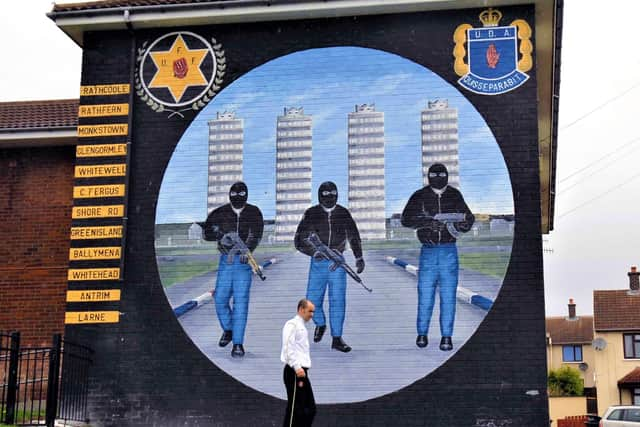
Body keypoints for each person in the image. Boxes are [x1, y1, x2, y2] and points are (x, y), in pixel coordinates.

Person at [401, 163, 474, 351]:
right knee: (425, 295)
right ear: (429, 176)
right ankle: (422, 333)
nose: (439, 177)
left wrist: (460, 226)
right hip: (428, 251)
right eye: (435, 174)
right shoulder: (419, 196)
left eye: (442, 174)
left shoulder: (454, 195)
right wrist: (429, 223)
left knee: (448, 296)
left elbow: (469, 217)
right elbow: (406, 219)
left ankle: (446, 337)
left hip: (449, 251)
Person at [294, 181, 364, 353]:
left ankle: (337, 338)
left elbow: (354, 236)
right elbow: (298, 240)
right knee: (311, 301)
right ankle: (321, 323)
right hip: (318, 263)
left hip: (338, 262)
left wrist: (359, 257)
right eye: (325, 195)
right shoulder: (311, 213)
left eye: (332, 195)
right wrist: (313, 252)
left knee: (337, 302)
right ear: (319, 196)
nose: (329, 199)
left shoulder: (343, 213)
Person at [202, 181, 264, 358]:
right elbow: (206, 232)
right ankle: (228, 329)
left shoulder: (254, 212)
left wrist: (248, 250)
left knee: (241, 303)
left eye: (241, 197)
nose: (238, 200)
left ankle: (238, 343)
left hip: (244, 264)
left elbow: (256, 234)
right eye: (236, 197)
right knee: (220, 298)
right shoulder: (220, 212)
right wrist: (221, 236)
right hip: (226, 262)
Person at [281, 299, 316, 427]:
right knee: (295, 408)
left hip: (302, 371)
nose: (312, 314)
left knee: (309, 409)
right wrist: (296, 367)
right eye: (310, 311)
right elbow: (288, 347)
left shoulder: (301, 327)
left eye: (313, 312)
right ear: (301, 309)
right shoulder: (292, 325)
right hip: (294, 371)